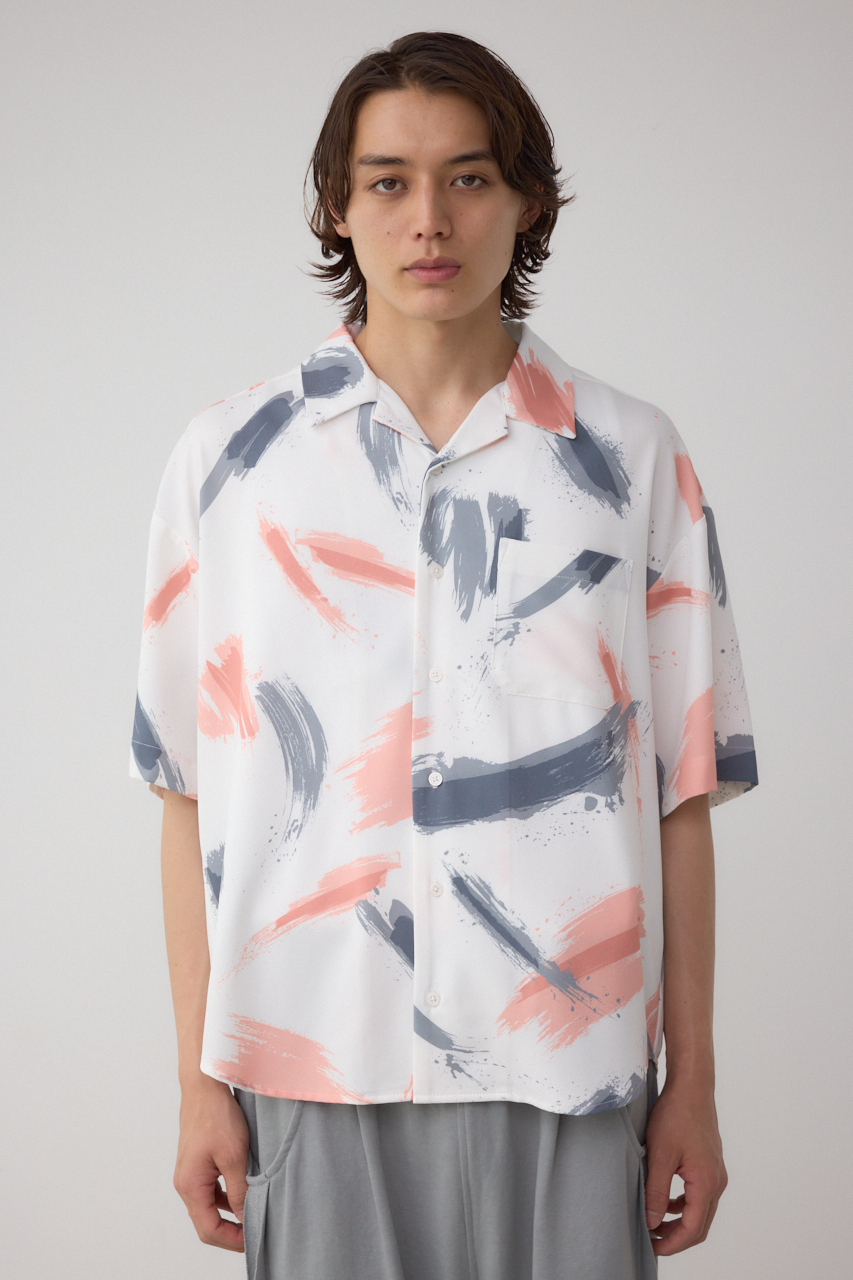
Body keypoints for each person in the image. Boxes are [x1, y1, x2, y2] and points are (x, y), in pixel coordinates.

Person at [131, 31, 757, 1280]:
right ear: (338, 204)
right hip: (310, 1056)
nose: (430, 219)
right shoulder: (228, 464)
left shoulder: (631, 458)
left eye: (469, 178)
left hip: (571, 1067)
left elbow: (680, 795)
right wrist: (199, 1081)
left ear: (526, 201)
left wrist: (692, 1079)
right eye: (388, 181)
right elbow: (185, 789)